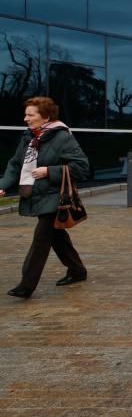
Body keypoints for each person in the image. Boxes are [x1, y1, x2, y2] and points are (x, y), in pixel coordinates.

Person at [1, 97, 90, 299]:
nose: (25, 118)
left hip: (54, 198)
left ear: (46, 116)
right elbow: (15, 165)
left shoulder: (62, 137)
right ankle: (77, 270)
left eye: (30, 115)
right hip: (37, 195)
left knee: (41, 239)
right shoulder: (29, 137)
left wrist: (49, 171)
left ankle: (26, 285)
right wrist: (3, 186)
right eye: (26, 114)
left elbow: (82, 167)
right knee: (57, 237)